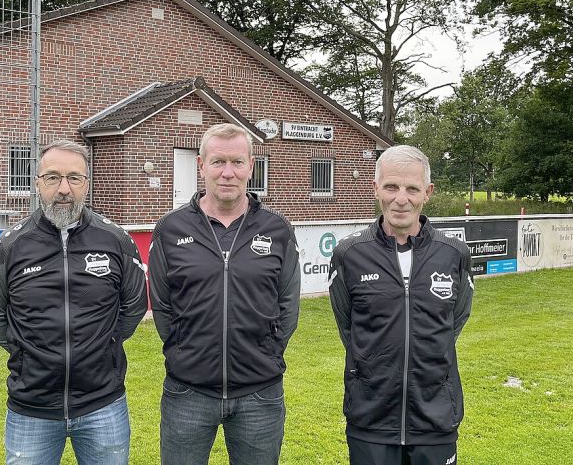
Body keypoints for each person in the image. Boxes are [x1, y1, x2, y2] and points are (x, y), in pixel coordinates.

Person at [0, 140, 148, 465]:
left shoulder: (116, 241)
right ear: (37, 182)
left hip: (103, 403)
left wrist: (107, 341)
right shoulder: (9, 246)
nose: (64, 189)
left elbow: (134, 306)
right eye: (53, 177)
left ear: (87, 183)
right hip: (32, 408)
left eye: (74, 178)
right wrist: (26, 350)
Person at [148, 123, 301, 465]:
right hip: (188, 391)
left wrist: (269, 349)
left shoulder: (277, 228)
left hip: (260, 392)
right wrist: (180, 349)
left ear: (251, 165)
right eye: (218, 162)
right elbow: (161, 303)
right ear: (201, 165)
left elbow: (288, 303)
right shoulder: (171, 229)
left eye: (237, 162)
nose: (227, 173)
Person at [328, 145, 473, 465]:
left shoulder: (454, 253)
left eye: (412, 188)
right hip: (371, 420)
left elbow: (454, 320)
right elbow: (348, 326)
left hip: (435, 419)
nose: (401, 198)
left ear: (428, 192)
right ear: (376, 187)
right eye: (391, 186)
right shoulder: (349, 254)